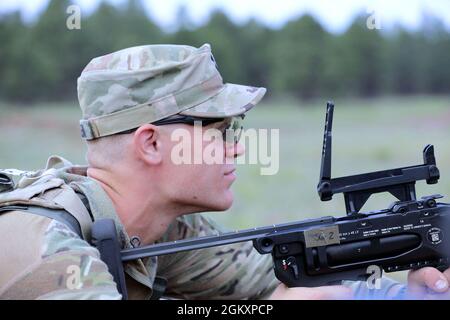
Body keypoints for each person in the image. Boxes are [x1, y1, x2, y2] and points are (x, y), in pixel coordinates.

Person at [0, 43, 449, 300]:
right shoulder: (49, 253)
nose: (237, 146)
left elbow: (282, 287)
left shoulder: (159, 230)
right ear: (151, 143)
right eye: (220, 129)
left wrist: (418, 291)